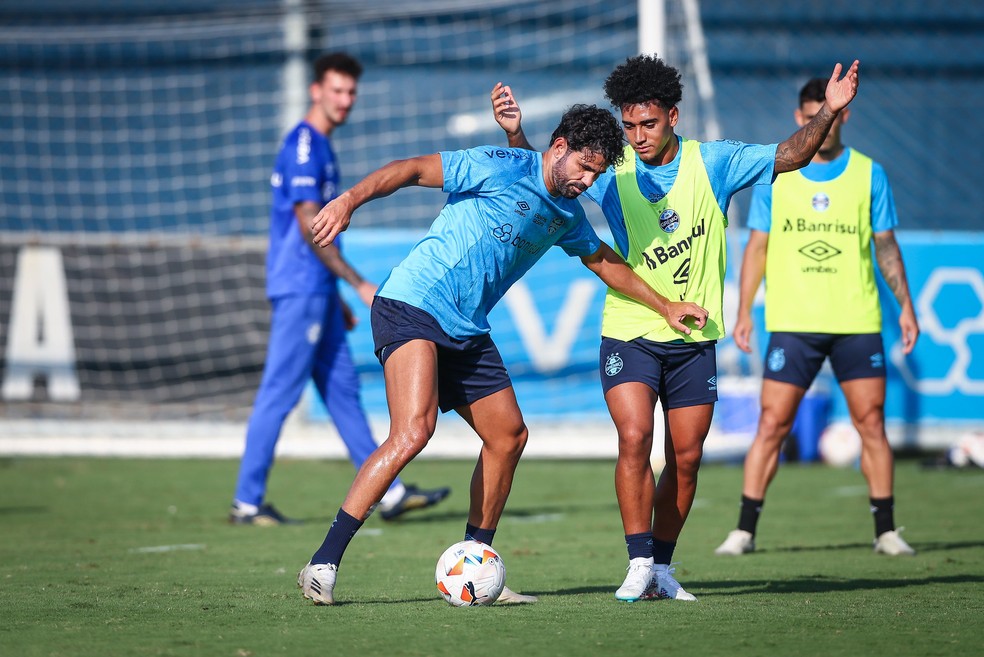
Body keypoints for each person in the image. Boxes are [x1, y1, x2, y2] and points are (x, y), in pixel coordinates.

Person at [296, 103, 710, 605]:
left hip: (467, 328)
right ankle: (324, 562)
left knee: (509, 436)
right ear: (559, 147)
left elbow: (603, 261)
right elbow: (409, 170)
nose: (586, 180)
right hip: (413, 302)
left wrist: (665, 305)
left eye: (597, 173)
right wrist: (349, 200)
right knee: (414, 430)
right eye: (583, 166)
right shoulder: (498, 164)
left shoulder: (566, 214)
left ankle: (476, 564)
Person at [491, 55, 859, 601]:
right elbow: (554, 180)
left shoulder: (715, 164)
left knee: (686, 459)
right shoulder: (612, 170)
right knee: (635, 438)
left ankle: (662, 567)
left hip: (693, 337)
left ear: (674, 117)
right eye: (630, 125)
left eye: (649, 124)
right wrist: (518, 134)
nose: (637, 137)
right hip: (630, 327)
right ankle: (638, 560)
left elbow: (790, 154)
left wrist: (827, 112)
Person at [229, 52, 450, 526]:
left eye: (351, 92)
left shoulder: (322, 145)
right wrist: (356, 284)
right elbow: (312, 224)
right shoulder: (305, 146)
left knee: (343, 391)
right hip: (300, 287)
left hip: (317, 290)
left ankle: (387, 493)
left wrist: (334, 296)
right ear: (316, 91)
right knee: (280, 392)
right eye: (337, 90)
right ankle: (247, 502)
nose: (345, 100)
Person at [714, 77, 919, 558]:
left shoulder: (871, 174)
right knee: (772, 425)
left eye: (826, 116)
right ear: (799, 119)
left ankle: (886, 530)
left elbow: (886, 244)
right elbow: (757, 245)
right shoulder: (778, 176)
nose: (819, 125)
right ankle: (744, 530)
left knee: (871, 422)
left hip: (857, 320)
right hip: (793, 321)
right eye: (810, 117)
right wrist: (743, 310)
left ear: (843, 115)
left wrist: (905, 304)